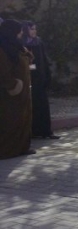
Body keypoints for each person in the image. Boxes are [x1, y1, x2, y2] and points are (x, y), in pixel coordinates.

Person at [0, 19, 36, 159]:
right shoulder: (2, 50)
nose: (21, 33)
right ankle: (7, 150)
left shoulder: (16, 47)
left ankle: (21, 147)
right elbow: (3, 73)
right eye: (19, 31)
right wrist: (14, 85)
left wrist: (26, 53)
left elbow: (28, 61)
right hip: (10, 94)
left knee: (23, 121)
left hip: (23, 94)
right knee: (10, 122)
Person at [23, 21, 58, 139]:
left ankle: (46, 131)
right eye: (31, 29)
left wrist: (47, 75)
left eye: (35, 29)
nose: (34, 31)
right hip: (29, 79)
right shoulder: (22, 44)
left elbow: (44, 59)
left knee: (43, 106)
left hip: (40, 79)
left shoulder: (39, 42)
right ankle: (32, 131)